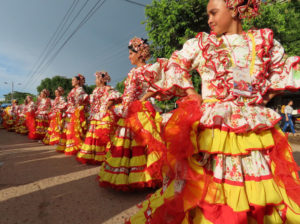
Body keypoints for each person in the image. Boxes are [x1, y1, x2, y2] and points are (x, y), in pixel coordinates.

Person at [127, 0, 300, 223]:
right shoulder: (202, 44)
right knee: (209, 192)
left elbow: (286, 70)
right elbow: (176, 64)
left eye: (213, 13)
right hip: (214, 130)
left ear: (235, 9)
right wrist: (191, 91)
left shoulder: (263, 42)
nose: (209, 19)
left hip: (255, 129)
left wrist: (265, 97)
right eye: (208, 14)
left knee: (261, 192)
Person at [98, 37, 165, 191]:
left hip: (135, 111)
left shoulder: (140, 71)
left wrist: (120, 109)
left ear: (139, 54)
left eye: (130, 53)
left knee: (133, 145)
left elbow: (132, 95)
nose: (129, 57)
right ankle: (148, 176)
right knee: (146, 144)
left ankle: (135, 177)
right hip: (144, 110)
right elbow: (156, 88)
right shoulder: (150, 68)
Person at [77, 71, 121, 164]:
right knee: (94, 135)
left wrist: (106, 107)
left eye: (96, 78)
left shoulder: (108, 88)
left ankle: (106, 156)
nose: (95, 81)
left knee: (103, 136)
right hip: (95, 115)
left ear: (101, 80)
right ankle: (93, 156)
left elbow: (114, 96)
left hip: (103, 115)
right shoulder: (95, 90)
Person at [56, 74, 88, 155]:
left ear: (78, 81)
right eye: (72, 80)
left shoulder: (80, 89)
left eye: (73, 80)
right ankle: (70, 146)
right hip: (70, 112)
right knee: (68, 129)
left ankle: (75, 147)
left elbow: (79, 102)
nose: (72, 82)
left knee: (73, 129)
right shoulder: (73, 90)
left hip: (75, 112)